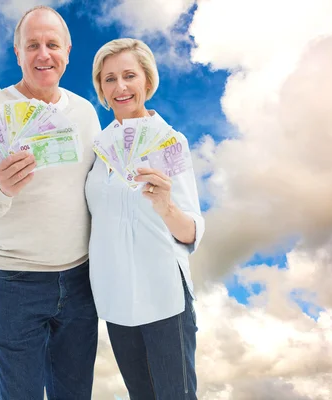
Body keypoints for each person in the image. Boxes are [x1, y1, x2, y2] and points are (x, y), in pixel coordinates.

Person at [0, 6, 101, 400]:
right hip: (15, 281)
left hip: (80, 280)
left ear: (68, 50)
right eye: (32, 45)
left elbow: (98, 190)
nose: (43, 54)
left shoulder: (84, 114)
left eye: (52, 44)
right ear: (17, 52)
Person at [86, 38, 205, 399]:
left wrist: (167, 205)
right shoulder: (97, 150)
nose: (120, 87)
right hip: (116, 299)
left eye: (128, 76)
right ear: (101, 91)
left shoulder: (170, 143)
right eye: (109, 80)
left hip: (164, 297)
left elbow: (191, 233)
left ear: (147, 82)